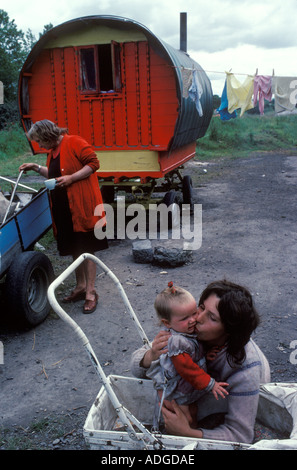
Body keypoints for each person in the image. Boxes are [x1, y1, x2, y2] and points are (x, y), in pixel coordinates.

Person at [130, 279, 271, 444]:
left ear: (229, 330)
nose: (197, 319)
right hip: (195, 396)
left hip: (224, 409)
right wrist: (151, 355)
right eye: (201, 307)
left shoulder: (246, 368)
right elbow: (136, 367)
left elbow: (241, 435)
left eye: (211, 317)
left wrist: (187, 432)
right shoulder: (190, 333)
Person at [19, 119, 108, 314]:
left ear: (47, 136)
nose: (40, 146)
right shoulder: (52, 152)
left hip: (83, 206)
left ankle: (91, 292)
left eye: (40, 141)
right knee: (75, 248)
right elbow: (54, 175)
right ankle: (80, 286)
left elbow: (93, 163)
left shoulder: (75, 142)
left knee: (87, 248)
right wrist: (36, 167)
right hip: (64, 209)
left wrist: (71, 178)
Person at [146, 282, 229, 428]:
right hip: (176, 390)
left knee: (193, 411)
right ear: (167, 323)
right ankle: (175, 438)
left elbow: (193, 353)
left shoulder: (188, 333)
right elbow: (186, 368)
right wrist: (210, 384)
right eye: (184, 318)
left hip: (187, 387)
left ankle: (193, 435)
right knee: (184, 418)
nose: (192, 320)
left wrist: (205, 356)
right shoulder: (176, 341)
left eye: (194, 313)